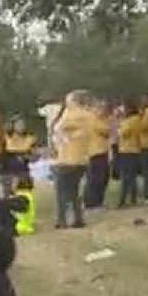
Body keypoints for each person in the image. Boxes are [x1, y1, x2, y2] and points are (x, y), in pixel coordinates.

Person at [51, 91, 97, 229]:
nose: (66, 103)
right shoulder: (90, 115)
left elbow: (57, 127)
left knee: (61, 191)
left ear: (75, 101)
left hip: (67, 158)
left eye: (68, 100)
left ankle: (62, 219)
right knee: (74, 191)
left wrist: (60, 131)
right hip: (83, 158)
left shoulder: (71, 114)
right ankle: (78, 218)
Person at [113, 100, 146, 207]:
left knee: (127, 176)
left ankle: (125, 199)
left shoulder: (131, 120)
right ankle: (131, 198)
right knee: (131, 176)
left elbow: (124, 133)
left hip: (128, 150)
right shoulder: (136, 119)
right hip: (133, 149)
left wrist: (119, 128)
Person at [83, 96, 112, 213]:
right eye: (101, 107)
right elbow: (105, 130)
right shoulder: (93, 118)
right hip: (96, 152)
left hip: (102, 151)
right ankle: (92, 204)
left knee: (102, 178)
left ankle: (97, 202)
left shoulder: (100, 118)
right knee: (96, 179)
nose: (103, 110)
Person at [1, 115, 37, 185]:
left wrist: (28, 157)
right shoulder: (6, 137)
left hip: (23, 168)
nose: (21, 126)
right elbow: (1, 152)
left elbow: (34, 155)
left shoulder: (30, 138)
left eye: (23, 124)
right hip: (8, 169)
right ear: (13, 126)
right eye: (19, 124)